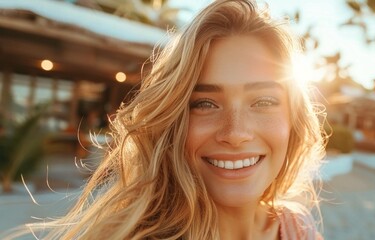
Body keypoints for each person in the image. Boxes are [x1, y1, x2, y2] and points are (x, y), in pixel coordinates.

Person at [5, 0, 325, 239]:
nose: (236, 132)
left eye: (264, 101)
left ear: (293, 121)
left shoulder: (297, 227)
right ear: (173, 121)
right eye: (204, 103)